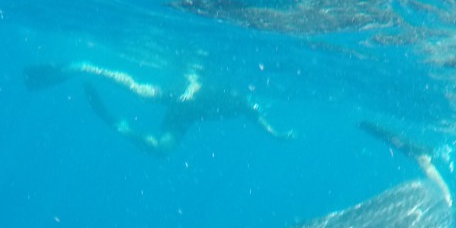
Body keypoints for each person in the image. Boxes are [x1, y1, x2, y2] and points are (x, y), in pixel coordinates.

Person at [27, 60, 292, 155]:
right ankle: (83, 66)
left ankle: (119, 127)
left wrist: (277, 135)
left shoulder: (247, 108)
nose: (258, 106)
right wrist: (189, 92)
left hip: (186, 115)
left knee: (161, 150)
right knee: (140, 91)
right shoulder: (237, 92)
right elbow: (203, 83)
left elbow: (261, 123)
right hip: (179, 96)